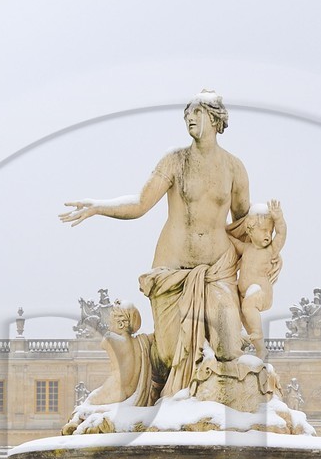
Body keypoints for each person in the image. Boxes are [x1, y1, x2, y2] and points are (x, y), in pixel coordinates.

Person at [61, 91, 251, 400]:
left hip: (218, 270)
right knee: (168, 356)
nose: (189, 118)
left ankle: (217, 407)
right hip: (172, 269)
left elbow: (243, 223)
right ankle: (146, 381)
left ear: (216, 119)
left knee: (229, 347)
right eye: (187, 113)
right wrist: (99, 206)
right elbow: (140, 203)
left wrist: (268, 249)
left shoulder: (234, 168)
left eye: (197, 113)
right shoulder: (175, 160)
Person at [227, 199, 286, 354]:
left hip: (261, 293)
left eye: (270, 231)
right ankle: (260, 348)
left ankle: (257, 333)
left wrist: (279, 219)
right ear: (250, 231)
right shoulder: (246, 248)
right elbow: (232, 241)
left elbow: (281, 234)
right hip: (245, 295)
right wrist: (221, 231)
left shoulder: (271, 250)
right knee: (243, 314)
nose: (268, 235)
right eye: (264, 230)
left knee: (248, 306)